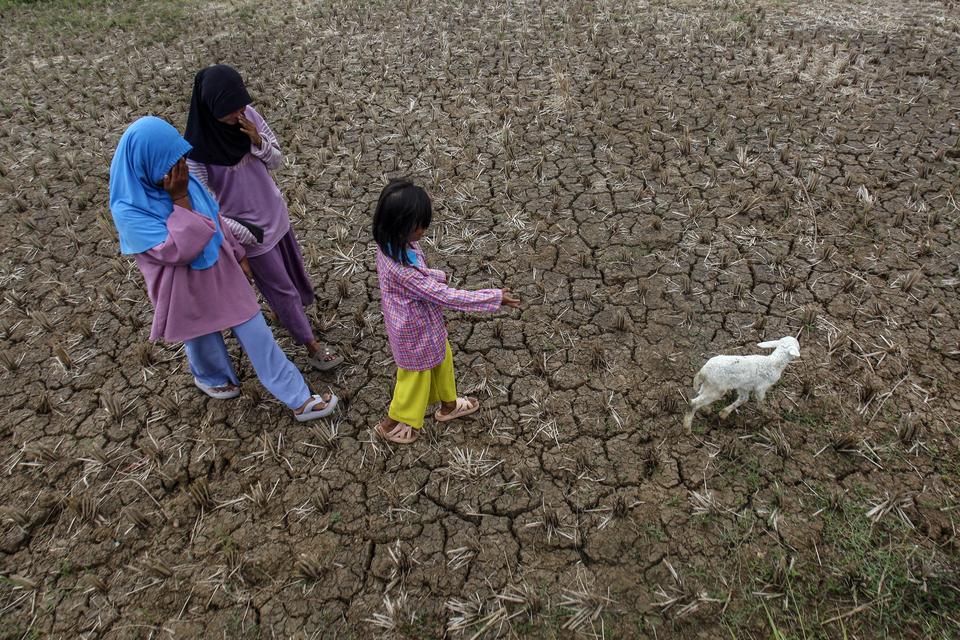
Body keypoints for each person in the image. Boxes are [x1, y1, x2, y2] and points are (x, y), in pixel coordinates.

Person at [109, 116, 337, 422]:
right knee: (202, 337)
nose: (179, 169)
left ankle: (298, 397)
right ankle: (212, 378)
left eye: (181, 159)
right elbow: (180, 250)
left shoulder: (182, 179)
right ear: (146, 163)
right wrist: (179, 201)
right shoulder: (130, 209)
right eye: (170, 164)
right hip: (183, 288)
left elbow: (214, 217)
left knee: (257, 333)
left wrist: (237, 252)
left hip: (221, 270)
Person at [183, 64, 341, 372]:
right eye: (229, 110)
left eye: (241, 104)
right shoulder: (196, 154)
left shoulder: (249, 118)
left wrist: (257, 141)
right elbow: (209, 210)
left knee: (294, 275)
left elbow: (277, 160)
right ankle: (310, 345)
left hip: (276, 215)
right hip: (250, 235)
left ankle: (295, 313)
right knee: (280, 289)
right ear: (210, 108)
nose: (238, 113)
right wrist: (247, 234)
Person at [372, 179, 520, 444]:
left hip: (425, 326)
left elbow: (426, 283)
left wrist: (434, 281)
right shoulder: (404, 272)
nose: (424, 230)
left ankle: (449, 406)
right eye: (419, 225)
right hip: (413, 334)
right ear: (400, 226)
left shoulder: (391, 245)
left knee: (443, 360)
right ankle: (389, 425)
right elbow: (447, 296)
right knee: (412, 381)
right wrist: (494, 297)